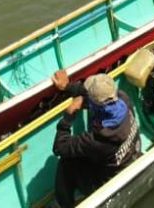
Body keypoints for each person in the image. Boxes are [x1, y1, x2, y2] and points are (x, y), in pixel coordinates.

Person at [50, 70, 141, 208]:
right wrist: (69, 87)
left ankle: (64, 205)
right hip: (132, 161)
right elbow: (98, 101)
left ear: (95, 106)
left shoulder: (98, 140)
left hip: (111, 185)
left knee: (66, 163)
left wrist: (68, 117)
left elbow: (59, 147)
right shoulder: (123, 98)